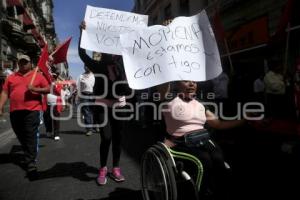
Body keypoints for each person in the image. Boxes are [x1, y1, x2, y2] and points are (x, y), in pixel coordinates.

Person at [157, 80, 246, 199]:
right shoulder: (169, 99)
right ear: (177, 84)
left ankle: (220, 193)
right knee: (204, 161)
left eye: (194, 82)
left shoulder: (201, 104)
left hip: (203, 139)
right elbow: (163, 85)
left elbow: (218, 124)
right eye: (186, 81)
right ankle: (201, 195)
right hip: (179, 143)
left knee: (218, 159)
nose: (191, 84)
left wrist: (244, 119)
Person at [79, 21, 131, 185]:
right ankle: (103, 168)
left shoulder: (124, 63)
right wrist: (83, 33)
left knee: (118, 138)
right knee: (106, 137)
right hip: (102, 104)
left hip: (120, 104)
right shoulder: (98, 64)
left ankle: (115, 168)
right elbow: (82, 54)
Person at [0, 54, 50, 180]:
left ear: (30, 63)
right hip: (15, 112)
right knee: (21, 136)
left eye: (25, 62)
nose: (23, 64)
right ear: (18, 63)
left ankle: (31, 165)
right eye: (21, 62)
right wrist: (0, 106)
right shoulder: (11, 77)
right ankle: (29, 154)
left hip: (32, 111)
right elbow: (5, 92)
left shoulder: (37, 76)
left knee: (30, 135)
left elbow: (48, 88)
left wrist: (34, 89)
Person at [43, 71, 64, 141]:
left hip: (56, 104)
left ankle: (56, 134)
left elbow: (59, 92)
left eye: (54, 77)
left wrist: (54, 85)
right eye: (52, 77)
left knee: (56, 120)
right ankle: (48, 131)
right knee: (47, 118)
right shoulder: (47, 83)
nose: (53, 78)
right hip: (47, 104)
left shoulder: (58, 84)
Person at [78, 65, 95, 136]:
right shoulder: (81, 76)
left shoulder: (94, 75)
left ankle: (93, 126)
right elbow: (78, 86)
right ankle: (89, 129)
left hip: (93, 95)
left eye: (88, 66)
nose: (86, 67)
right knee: (86, 111)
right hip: (84, 95)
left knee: (92, 111)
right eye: (85, 66)